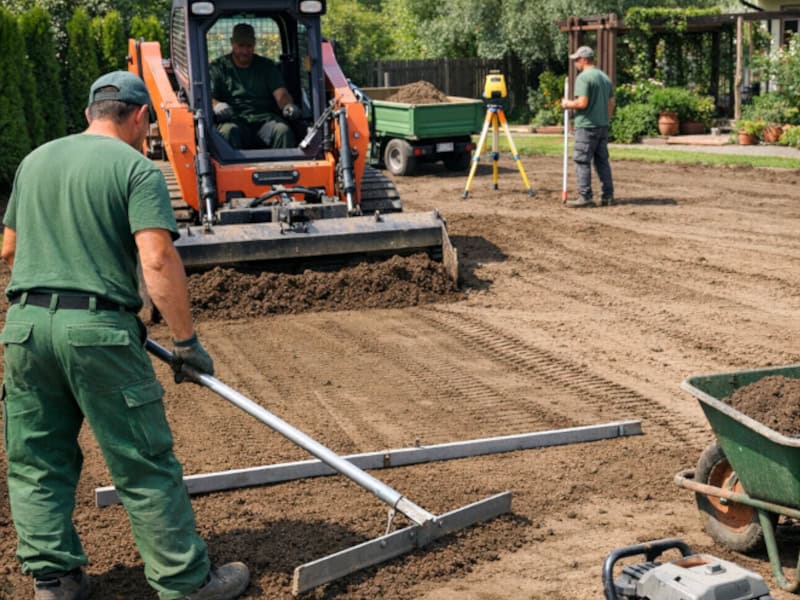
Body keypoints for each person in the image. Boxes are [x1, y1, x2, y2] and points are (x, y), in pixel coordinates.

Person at [0, 71, 249, 600]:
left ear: (92, 112)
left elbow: (8, 250)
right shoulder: (137, 169)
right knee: (142, 460)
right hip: (98, 330)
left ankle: (55, 582)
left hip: (23, 328)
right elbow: (157, 260)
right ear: (138, 116)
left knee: (37, 460)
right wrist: (185, 344)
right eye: (148, 125)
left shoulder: (34, 161)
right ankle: (186, 583)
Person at [209, 22, 300, 149]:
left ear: (254, 44)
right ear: (232, 43)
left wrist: (288, 106)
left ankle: (284, 168)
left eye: (249, 46)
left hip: (264, 120)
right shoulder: (218, 67)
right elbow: (208, 97)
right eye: (240, 46)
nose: (245, 51)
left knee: (282, 131)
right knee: (227, 132)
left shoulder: (267, 66)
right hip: (234, 120)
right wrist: (217, 105)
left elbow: (281, 94)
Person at [561, 46, 615, 208]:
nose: (575, 63)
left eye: (577, 60)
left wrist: (567, 104)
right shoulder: (605, 78)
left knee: (582, 160)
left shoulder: (584, 78)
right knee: (602, 161)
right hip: (602, 126)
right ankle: (608, 196)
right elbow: (611, 103)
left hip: (586, 127)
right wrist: (606, 118)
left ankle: (585, 196)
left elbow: (582, 102)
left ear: (584, 60)